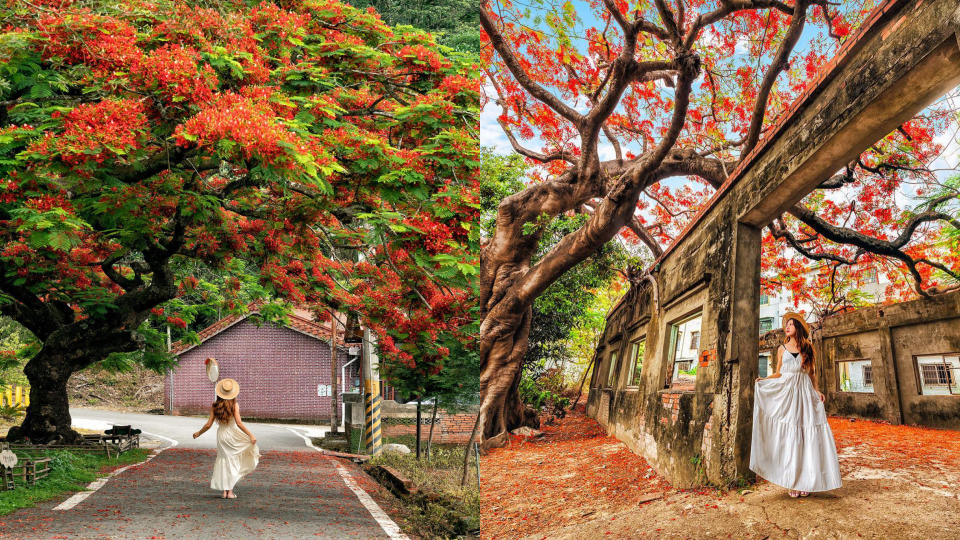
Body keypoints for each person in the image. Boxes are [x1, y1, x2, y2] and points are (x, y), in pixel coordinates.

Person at [750, 312, 842, 498]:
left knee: (805, 434)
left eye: (791, 324)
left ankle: (806, 480)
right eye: (787, 324)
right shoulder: (781, 349)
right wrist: (765, 380)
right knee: (790, 437)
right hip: (787, 394)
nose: (788, 326)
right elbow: (778, 373)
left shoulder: (807, 347)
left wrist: (817, 391)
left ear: (798, 328)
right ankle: (793, 481)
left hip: (805, 393)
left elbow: (811, 373)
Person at [193, 378, 259, 499]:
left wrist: (198, 433)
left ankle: (224, 492)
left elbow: (208, 424)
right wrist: (250, 435)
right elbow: (239, 423)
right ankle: (230, 492)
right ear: (233, 393)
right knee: (233, 462)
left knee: (224, 461)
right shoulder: (234, 405)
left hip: (222, 436)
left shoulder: (215, 406)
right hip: (233, 435)